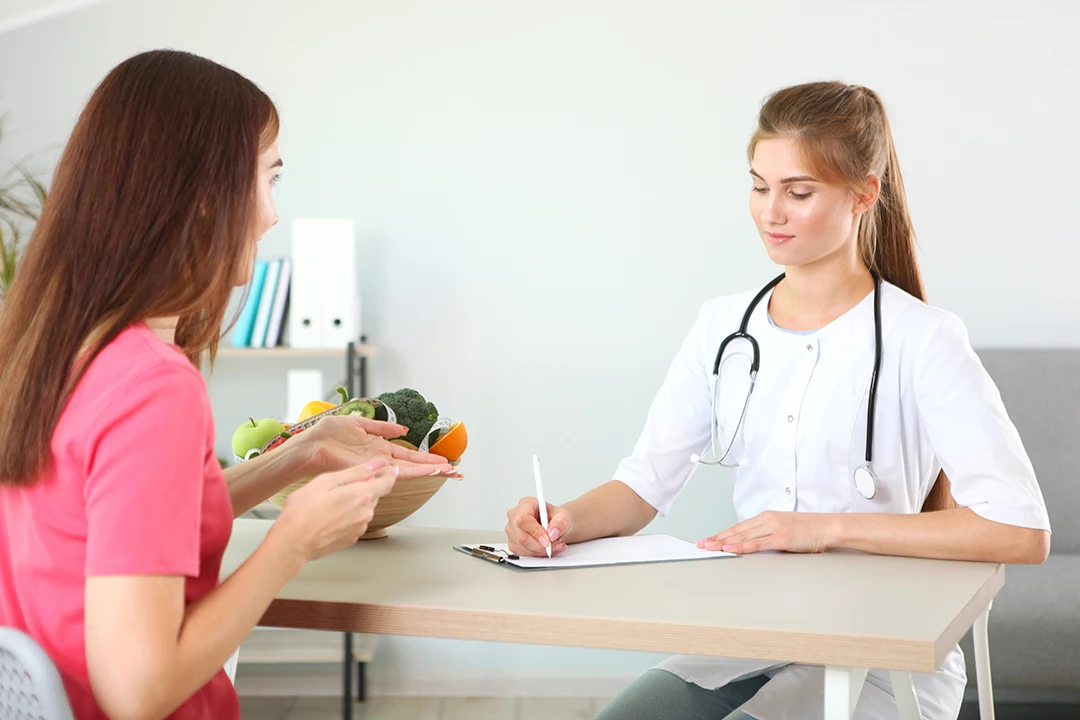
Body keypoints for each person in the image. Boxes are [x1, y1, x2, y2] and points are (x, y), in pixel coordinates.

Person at [504, 81, 1051, 720]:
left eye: (799, 192)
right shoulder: (722, 326)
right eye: (760, 187)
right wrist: (562, 519)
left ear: (864, 194)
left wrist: (822, 530)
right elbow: (641, 488)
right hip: (748, 633)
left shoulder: (924, 339)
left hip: (876, 651)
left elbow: (1020, 530)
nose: (771, 213)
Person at [0, 49, 454, 720]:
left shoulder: (55, 349)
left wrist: (298, 455)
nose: (272, 215)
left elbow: (132, 525)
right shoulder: (152, 389)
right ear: (200, 195)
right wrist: (293, 540)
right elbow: (138, 690)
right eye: (268, 178)